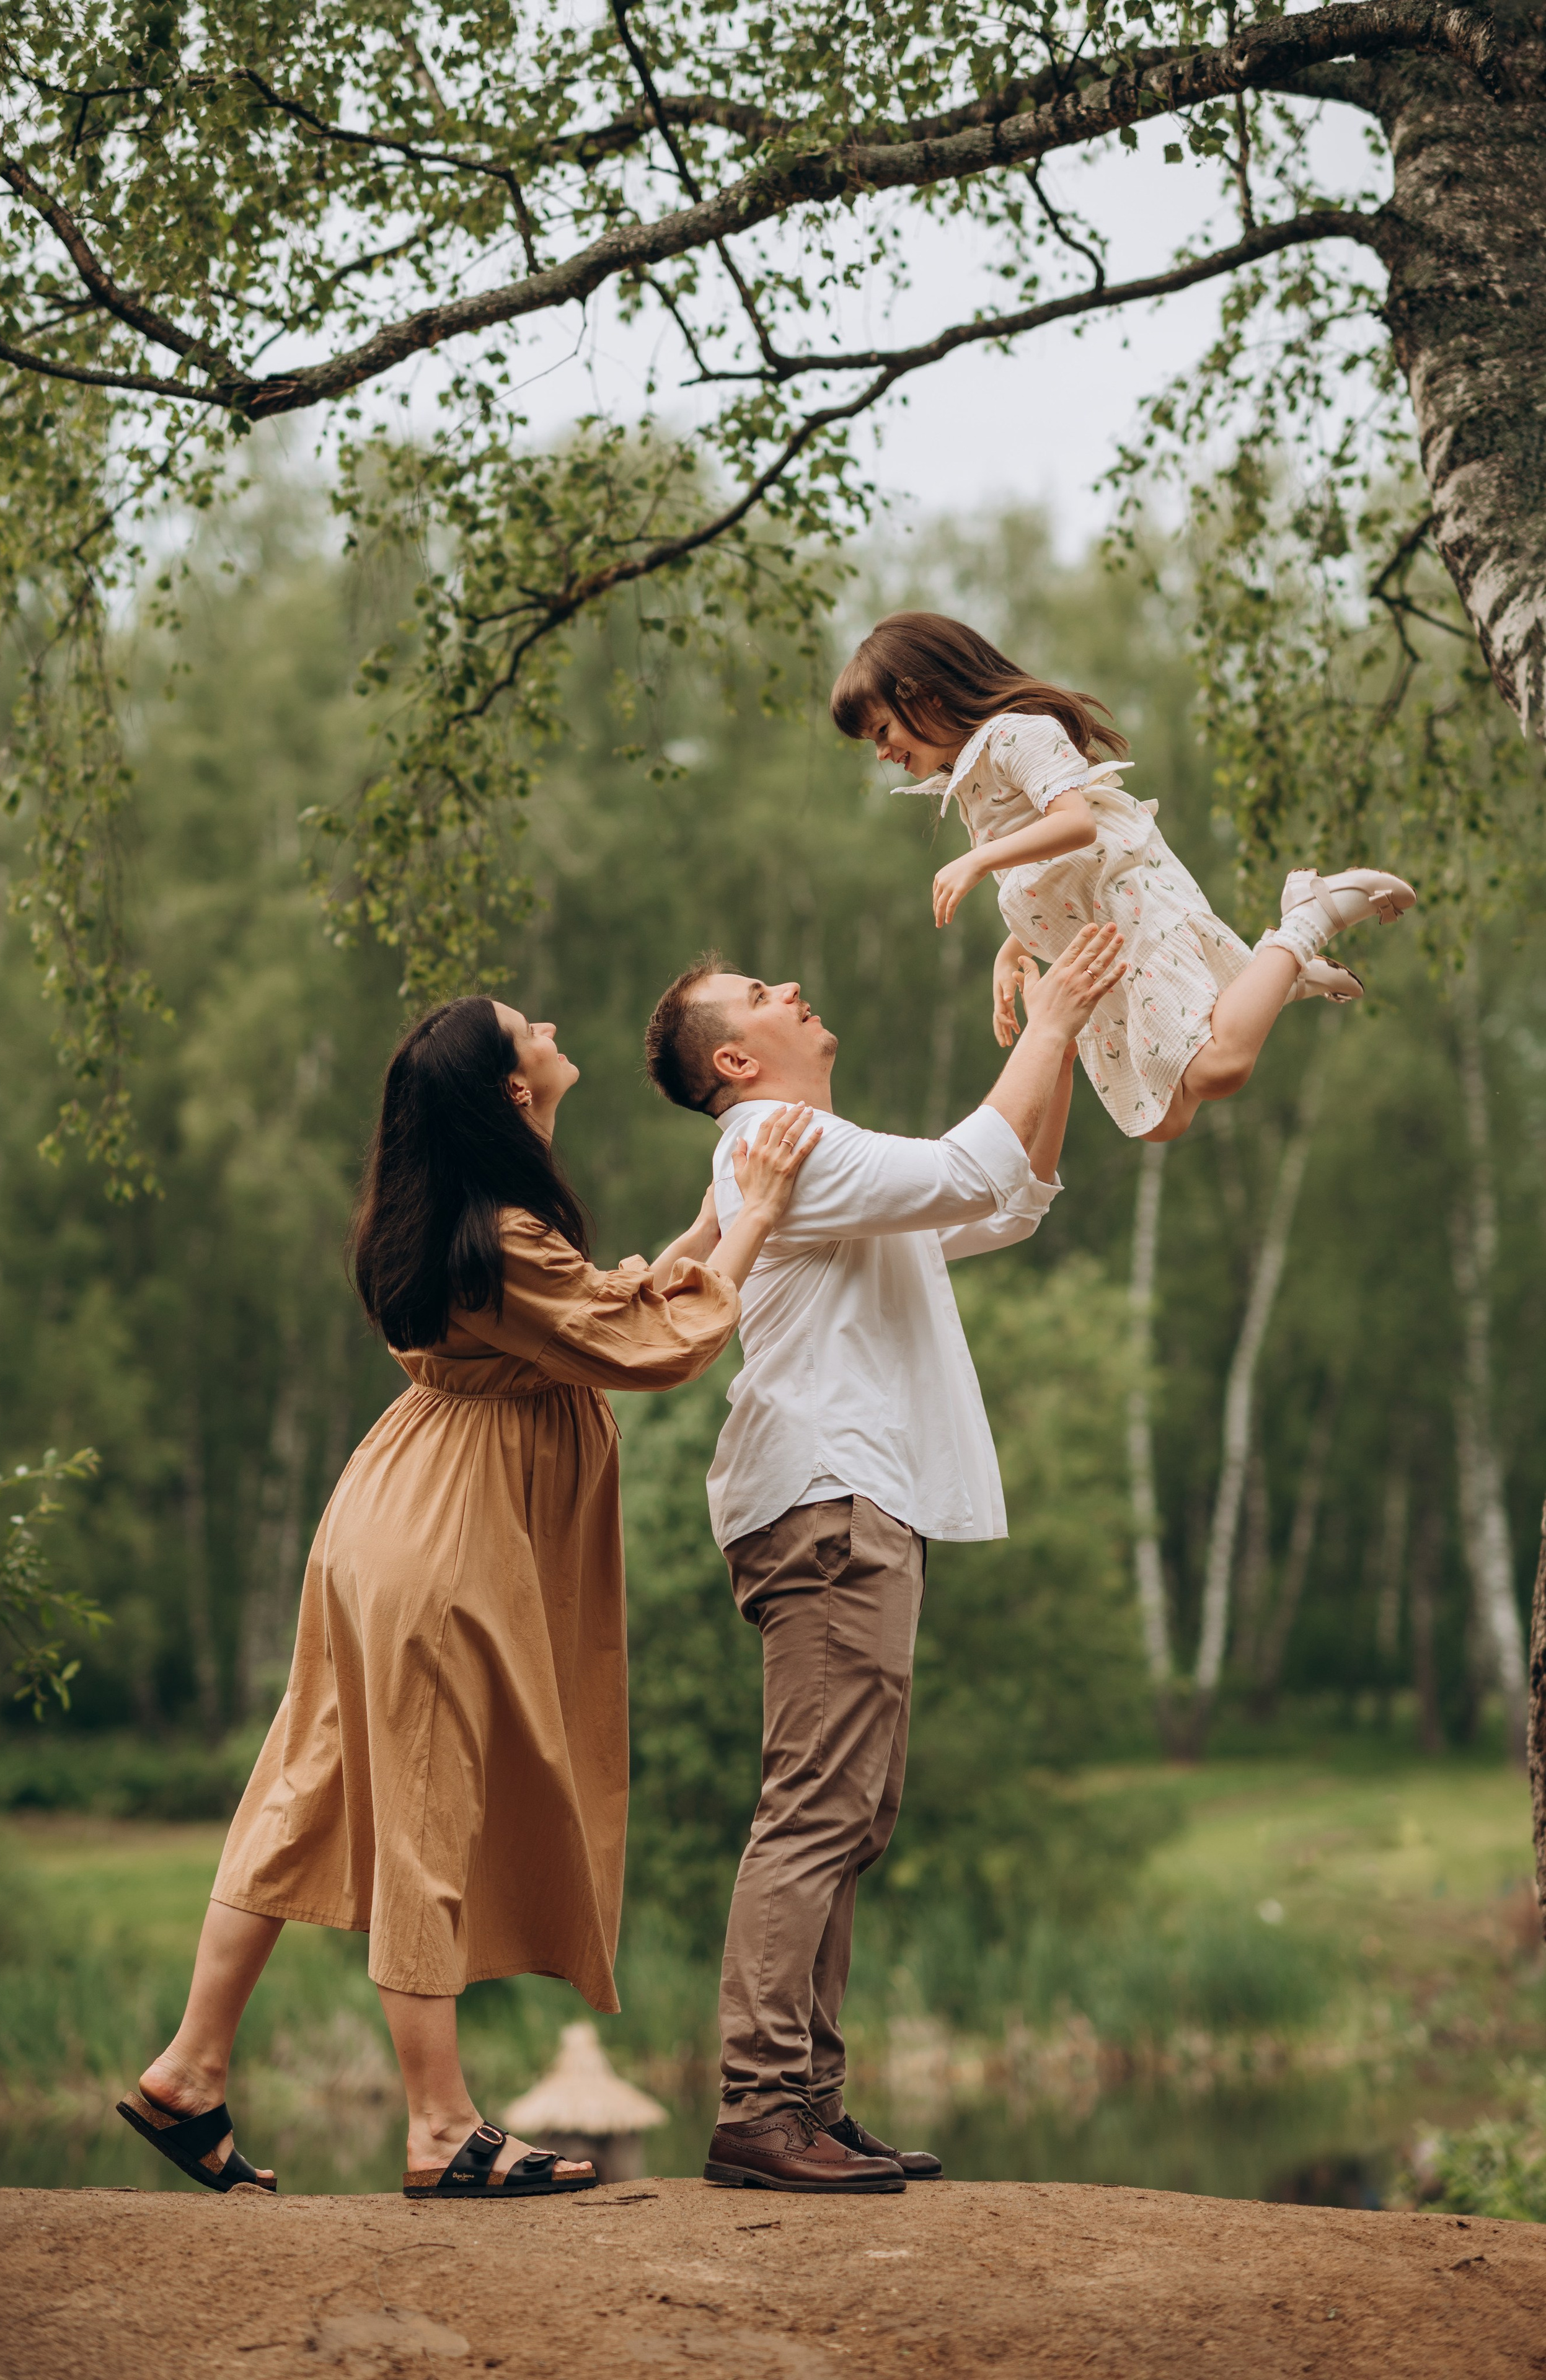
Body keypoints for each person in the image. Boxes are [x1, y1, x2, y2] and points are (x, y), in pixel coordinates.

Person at [118, 995, 819, 2202]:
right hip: (443, 1542)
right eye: (529, 1026)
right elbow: (652, 1348)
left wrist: (712, 1216)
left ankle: (188, 2070)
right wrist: (752, 1221)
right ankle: (440, 2128)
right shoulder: (496, 1229)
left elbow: (600, 1307)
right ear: (509, 1087)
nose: (551, 1027)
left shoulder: (466, 1217)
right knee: (427, 1816)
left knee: (310, 1784)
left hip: (388, 1514)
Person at [643, 919, 1128, 2193]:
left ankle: (805, 2098)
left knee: (849, 1812)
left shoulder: (817, 1163)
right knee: (815, 1809)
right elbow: (974, 1164)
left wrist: (1044, 1042)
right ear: (734, 1061)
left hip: (847, 1503)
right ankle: (760, 2108)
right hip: (822, 1502)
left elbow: (1005, 1198)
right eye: (758, 990)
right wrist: (1059, 1022)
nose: (792, 986)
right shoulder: (767, 1145)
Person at [831, 611, 1418, 1142]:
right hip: (1100, 942)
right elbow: (1055, 878)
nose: (881, 753)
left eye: (882, 732)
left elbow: (1078, 828)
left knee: (1219, 1070)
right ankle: (1276, 978)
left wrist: (979, 859)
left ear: (927, 697)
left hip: (1137, 915)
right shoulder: (970, 776)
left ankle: (1308, 918)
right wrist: (1012, 949)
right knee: (1162, 1119)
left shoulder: (1015, 736)